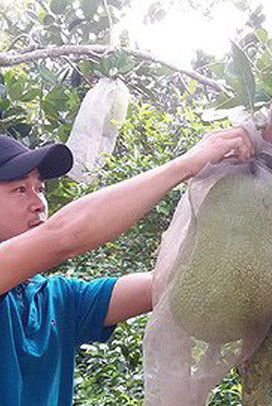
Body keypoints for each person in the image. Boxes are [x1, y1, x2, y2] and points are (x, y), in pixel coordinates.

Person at [0, 128, 253, 405]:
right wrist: (185, 164)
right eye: (20, 189)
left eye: (40, 189)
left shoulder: (57, 298)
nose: (39, 204)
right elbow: (63, 235)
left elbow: (167, 283)